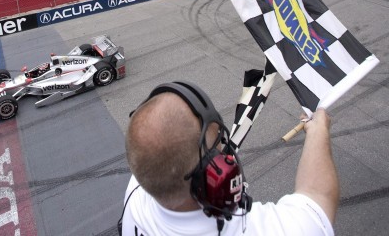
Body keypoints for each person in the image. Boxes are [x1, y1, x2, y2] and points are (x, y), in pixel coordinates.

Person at [120, 82, 339, 235]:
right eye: (219, 143)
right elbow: (318, 197)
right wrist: (319, 131)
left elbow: (152, 148)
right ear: (211, 175)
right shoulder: (259, 230)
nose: (224, 150)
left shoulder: (135, 195)